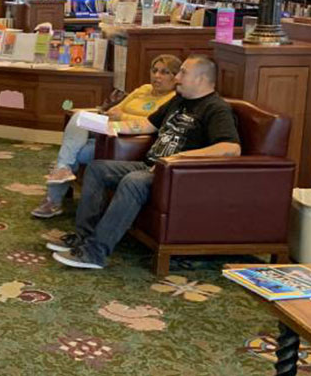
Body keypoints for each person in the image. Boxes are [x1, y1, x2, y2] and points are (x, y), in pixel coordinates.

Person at [50, 55, 241, 270]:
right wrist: (111, 128)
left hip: (174, 175)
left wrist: (176, 159)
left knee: (133, 181)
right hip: (149, 165)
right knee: (97, 168)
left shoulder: (216, 108)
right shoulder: (179, 100)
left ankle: (95, 253)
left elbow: (230, 148)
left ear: (201, 79)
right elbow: (148, 124)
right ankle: (83, 238)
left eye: (183, 73)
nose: (177, 77)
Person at [32, 54, 182, 219]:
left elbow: (150, 123)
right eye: (154, 71)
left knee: (76, 152)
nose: (157, 76)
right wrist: (118, 115)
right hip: (109, 128)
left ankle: (54, 199)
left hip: (126, 140)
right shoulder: (144, 89)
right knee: (79, 117)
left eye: (165, 72)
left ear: (176, 78)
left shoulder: (172, 99)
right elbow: (114, 110)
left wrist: (123, 117)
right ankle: (62, 170)